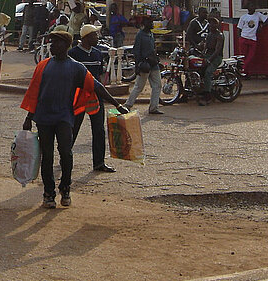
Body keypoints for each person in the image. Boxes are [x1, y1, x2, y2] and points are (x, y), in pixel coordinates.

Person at [22, 30, 128, 209]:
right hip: (43, 117)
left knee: (66, 153)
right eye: (51, 42)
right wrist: (28, 118)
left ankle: (65, 188)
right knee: (46, 156)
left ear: (66, 45)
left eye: (55, 42)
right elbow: (35, 93)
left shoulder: (76, 68)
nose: (52, 45)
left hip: (64, 117)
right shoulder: (43, 66)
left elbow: (97, 87)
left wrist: (117, 105)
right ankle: (49, 193)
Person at [69, 24, 124, 172]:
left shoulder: (97, 54)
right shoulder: (73, 54)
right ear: (86, 37)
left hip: (95, 95)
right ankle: (65, 157)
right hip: (79, 96)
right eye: (94, 35)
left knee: (98, 130)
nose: (97, 38)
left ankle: (99, 163)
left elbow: (98, 78)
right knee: (73, 129)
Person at [125, 16, 163, 115]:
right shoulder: (140, 35)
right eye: (150, 22)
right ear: (144, 24)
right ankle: (127, 106)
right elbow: (136, 51)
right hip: (144, 64)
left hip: (153, 64)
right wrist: (138, 65)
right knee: (139, 87)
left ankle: (154, 107)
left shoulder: (150, 34)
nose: (152, 24)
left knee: (157, 85)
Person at [199, 17, 225, 106]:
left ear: (216, 25)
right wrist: (201, 54)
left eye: (213, 23)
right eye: (210, 23)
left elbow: (217, 51)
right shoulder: (209, 34)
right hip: (208, 55)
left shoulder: (219, 35)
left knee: (208, 72)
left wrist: (209, 60)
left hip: (216, 57)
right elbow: (205, 47)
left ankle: (208, 96)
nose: (211, 25)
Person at [236, 5, 268, 76]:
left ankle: (243, 69)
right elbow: (239, 28)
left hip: (252, 39)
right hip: (244, 38)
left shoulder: (258, 15)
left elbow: (266, 20)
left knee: (250, 56)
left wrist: (261, 26)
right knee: (243, 57)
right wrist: (240, 38)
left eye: (253, 7)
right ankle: (246, 73)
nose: (253, 8)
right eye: (251, 7)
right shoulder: (243, 17)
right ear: (248, 9)